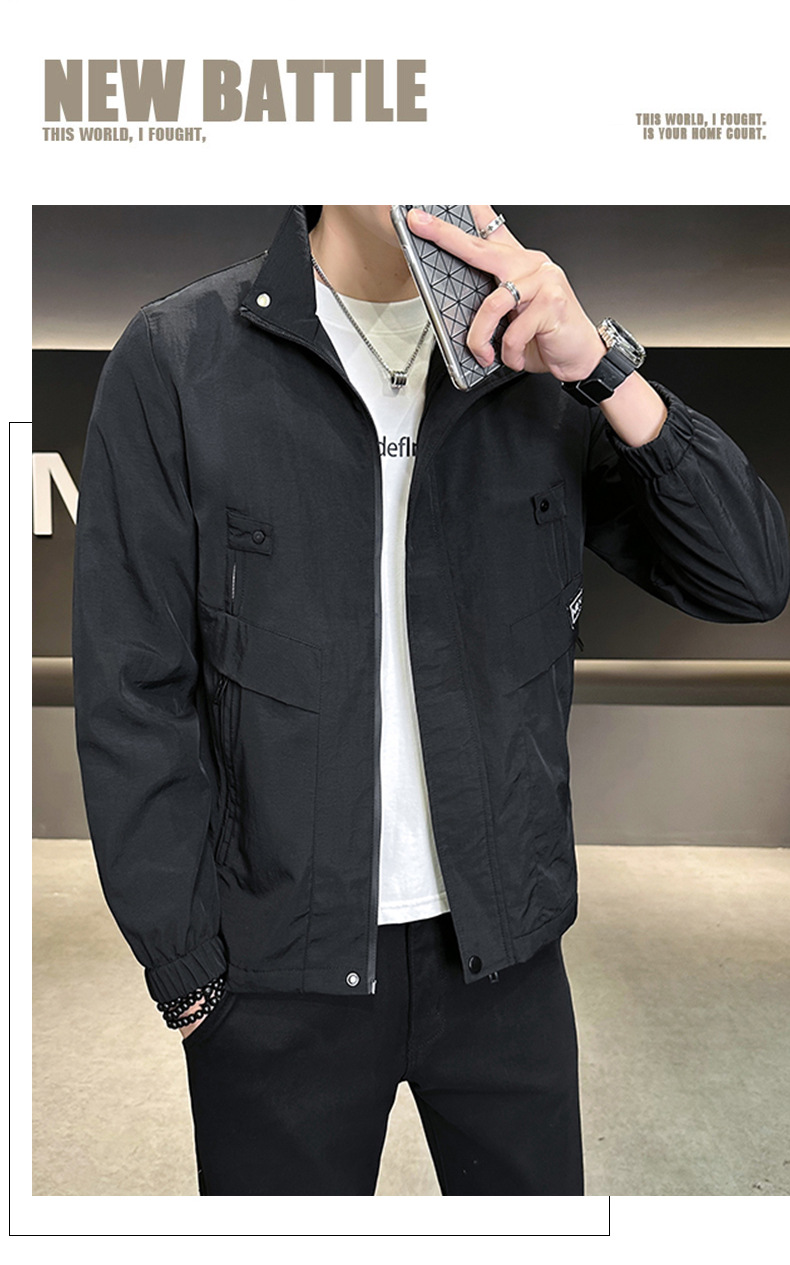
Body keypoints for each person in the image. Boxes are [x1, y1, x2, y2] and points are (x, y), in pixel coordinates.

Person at [72, 205, 790, 1196]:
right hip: (277, 976)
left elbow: (750, 577)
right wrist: (187, 970)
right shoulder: (179, 357)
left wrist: (601, 368)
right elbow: (132, 687)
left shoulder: (535, 362)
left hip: (507, 963)